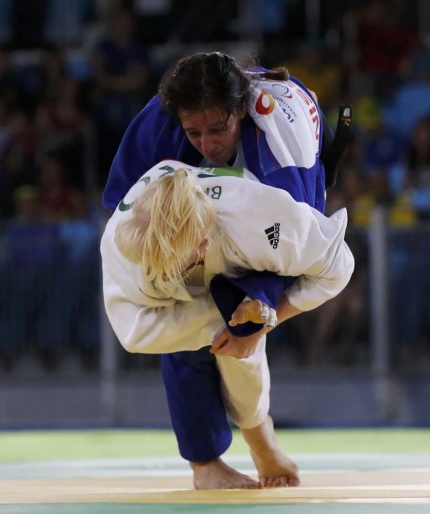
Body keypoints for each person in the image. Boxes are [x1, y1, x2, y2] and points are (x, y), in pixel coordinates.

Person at [101, 52, 336, 488]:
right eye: (195, 132)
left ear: (241, 111)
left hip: (278, 195)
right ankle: (205, 462)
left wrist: (264, 308)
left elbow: (296, 253)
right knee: (180, 301)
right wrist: (169, 254)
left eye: (217, 129)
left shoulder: (281, 149)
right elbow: (120, 203)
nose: (207, 144)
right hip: (191, 199)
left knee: (244, 325)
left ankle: (260, 438)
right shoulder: (161, 125)